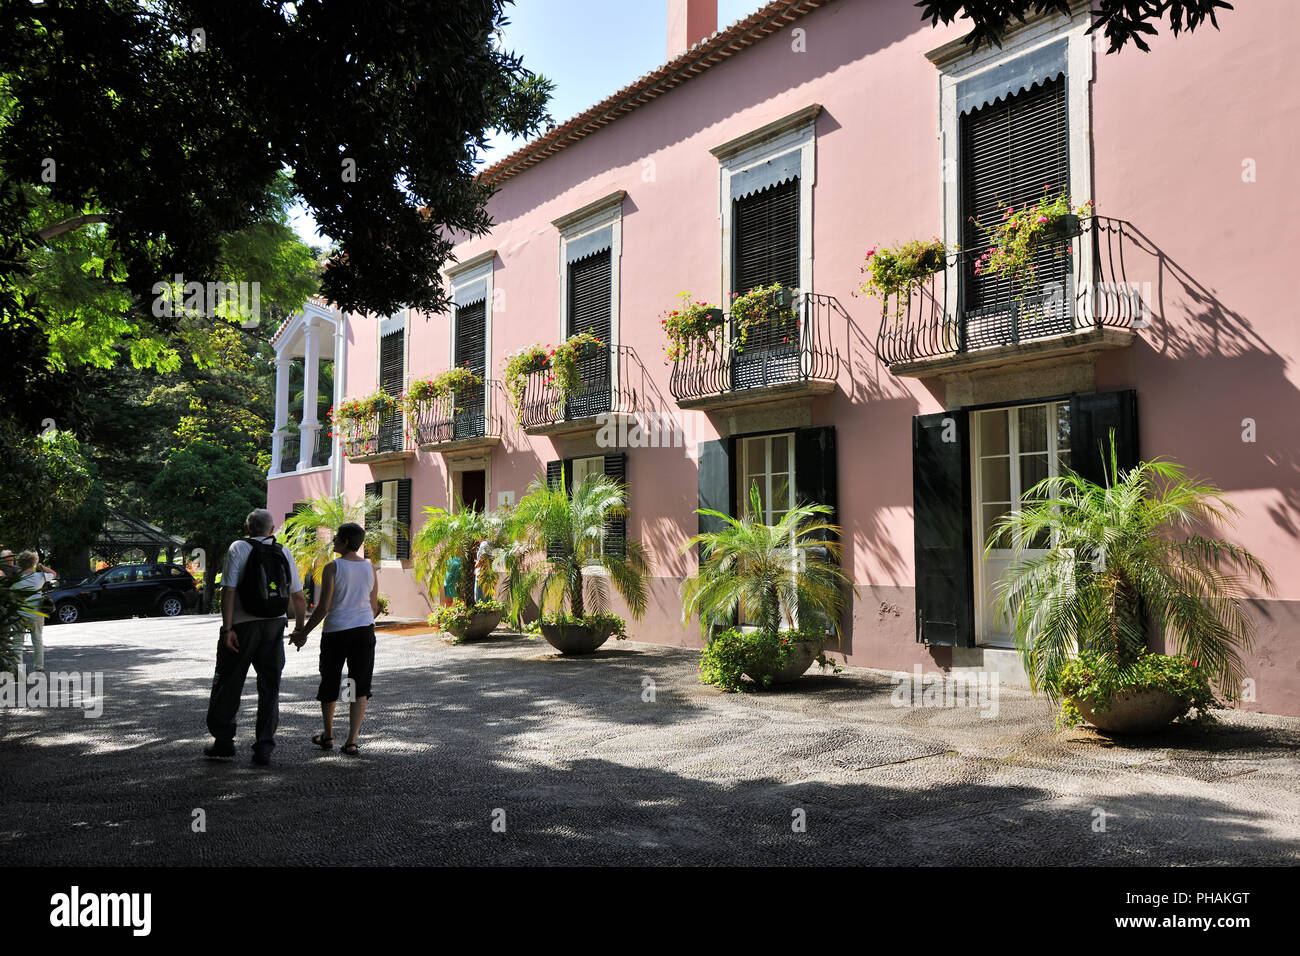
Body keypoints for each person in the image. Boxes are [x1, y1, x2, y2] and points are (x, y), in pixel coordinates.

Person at [204, 509, 305, 766]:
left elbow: (228, 591)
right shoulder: (283, 551)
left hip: (242, 627)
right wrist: (299, 629)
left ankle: (224, 742)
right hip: (275, 625)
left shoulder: (238, 547)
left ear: (247, 528)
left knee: (229, 682)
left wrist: (227, 629)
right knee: (270, 687)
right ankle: (264, 747)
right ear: (271, 530)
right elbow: (299, 596)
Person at [292, 522, 377, 757]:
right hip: (363, 632)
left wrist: (302, 633)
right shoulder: (370, 568)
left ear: (346, 541)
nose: (334, 541)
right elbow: (374, 605)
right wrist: (362, 619)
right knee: (356, 684)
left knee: (330, 680)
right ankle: (351, 740)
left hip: (337, 632)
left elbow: (324, 607)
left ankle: (328, 735)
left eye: (337, 537)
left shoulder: (333, 567)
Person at [14, 551, 56, 671]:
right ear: (33, 563)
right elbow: (54, 574)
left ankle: (18, 670)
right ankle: (39, 667)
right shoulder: (39, 577)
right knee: (37, 639)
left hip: (19, 612)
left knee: (17, 641)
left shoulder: (15, 579)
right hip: (36, 612)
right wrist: (42, 567)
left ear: (20, 564)